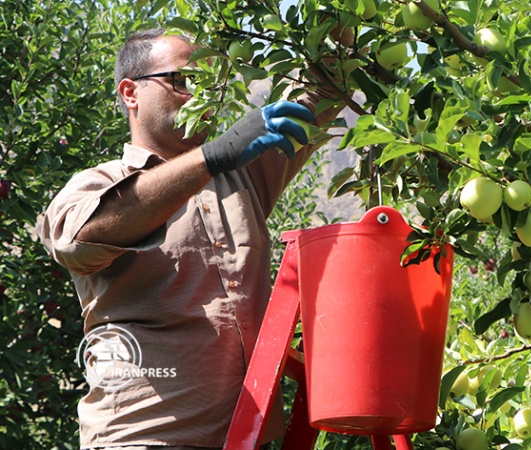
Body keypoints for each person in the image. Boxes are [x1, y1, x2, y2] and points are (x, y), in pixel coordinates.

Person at [38, 27, 341, 449]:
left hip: (248, 438)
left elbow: (323, 85)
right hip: (143, 436)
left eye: (209, 83)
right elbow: (78, 240)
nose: (200, 95)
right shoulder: (99, 183)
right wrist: (214, 154)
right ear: (131, 93)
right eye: (181, 81)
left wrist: (344, 22)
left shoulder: (240, 179)